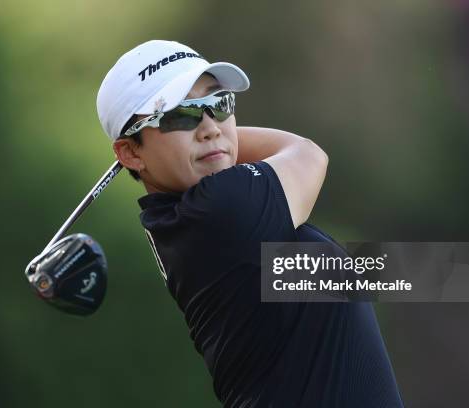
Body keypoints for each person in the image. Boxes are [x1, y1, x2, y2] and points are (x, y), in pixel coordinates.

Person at [96, 40, 404, 407]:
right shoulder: (223, 210)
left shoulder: (178, 219)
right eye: (181, 114)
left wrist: (209, 135)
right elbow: (307, 153)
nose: (210, 127)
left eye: (218, 104)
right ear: (130, 153)